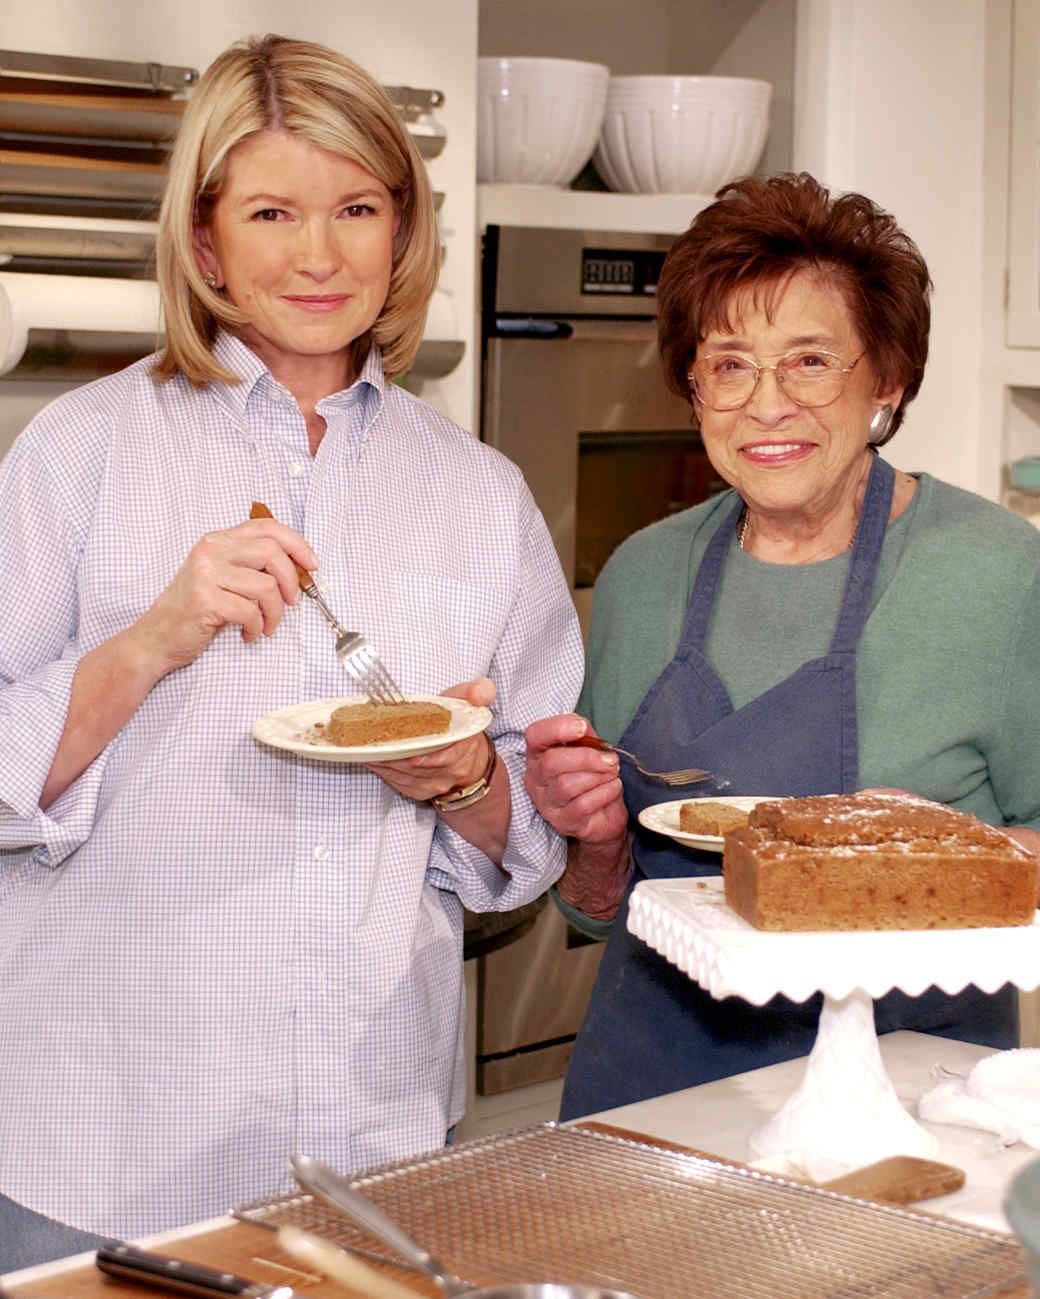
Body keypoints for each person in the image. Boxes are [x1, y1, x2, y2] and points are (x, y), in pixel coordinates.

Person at [0, 34, 583, 1268]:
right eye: (271, 211)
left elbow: (529, 842)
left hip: (369, 1141)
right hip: (101, 1142)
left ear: (400, 231)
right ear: (206, 243)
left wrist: (464, 783)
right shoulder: (80, 453)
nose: (319, 254)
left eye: (356, 208)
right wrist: (151, 640)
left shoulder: (479, 495)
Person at [524, 172, 1040, 1122]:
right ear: (694, 387)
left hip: (903, 1114)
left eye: (809, 361)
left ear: (886, 378)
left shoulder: (1001, 576)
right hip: (652, 1100)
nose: (766, 404)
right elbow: (597, 905)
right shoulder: (642, 576)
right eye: (729, 364)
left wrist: (918, 859)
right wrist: (591, 840)